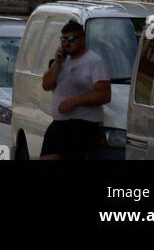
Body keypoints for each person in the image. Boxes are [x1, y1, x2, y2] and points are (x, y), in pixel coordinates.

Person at [39, 20, 111, 161]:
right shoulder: (61, 61)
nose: (67, 43)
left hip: (82, 124)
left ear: (82, 40)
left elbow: (104, 94)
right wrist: (57, 63)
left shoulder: (94, 62)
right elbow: (46, 85)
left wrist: (76, 101)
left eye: (71, 39)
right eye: (64, 39)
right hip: (59, 123)